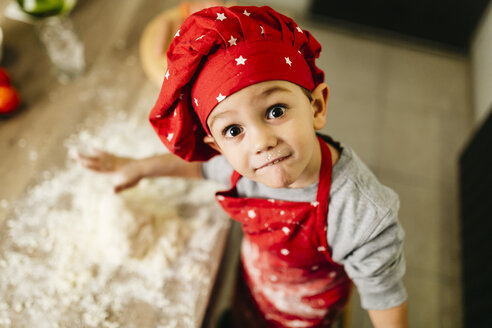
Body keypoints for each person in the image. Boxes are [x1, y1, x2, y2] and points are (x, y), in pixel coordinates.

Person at [78, 5, 408, 327]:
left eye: (276, 111)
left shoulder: (360, 214)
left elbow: (385, 298)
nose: (260, 141)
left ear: (317, 106)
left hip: (307, 316)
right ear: (218, 147)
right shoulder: (247, 168)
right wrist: (138, 167)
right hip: (252, 292)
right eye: (234, 131)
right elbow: (200, 169)